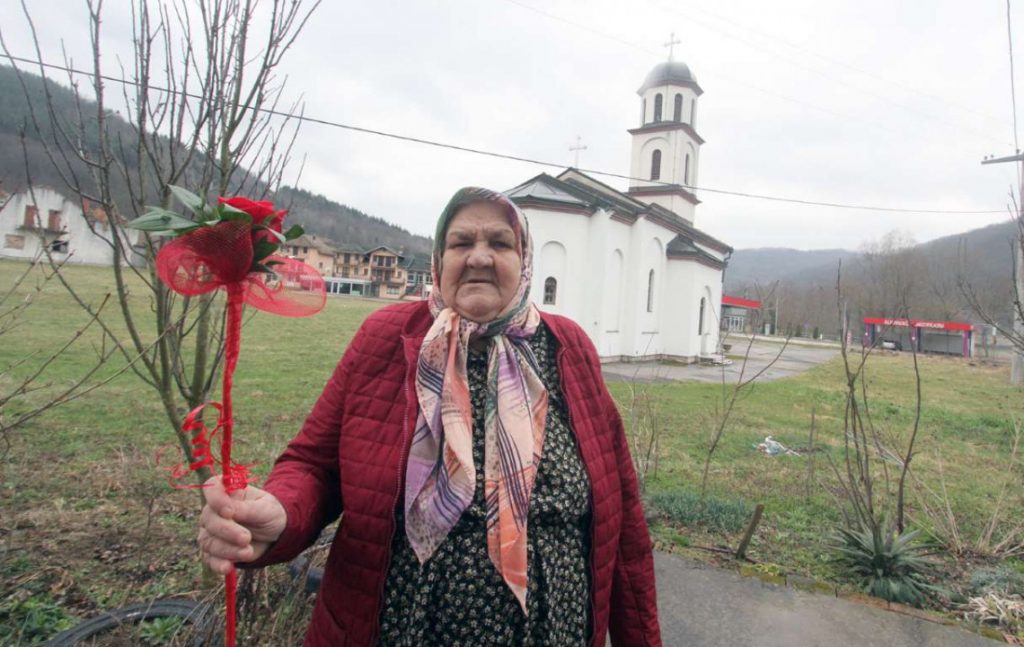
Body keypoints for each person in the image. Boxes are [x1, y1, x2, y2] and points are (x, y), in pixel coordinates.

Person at [198, 187, 661, 646]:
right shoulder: (385, 337)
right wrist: (280, 513)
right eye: (462, 243)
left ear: (525, 261)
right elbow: (315, 465)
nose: (479, 257)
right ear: (439, 262)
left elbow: (624, 522)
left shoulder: (569, 348)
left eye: (499, 243)